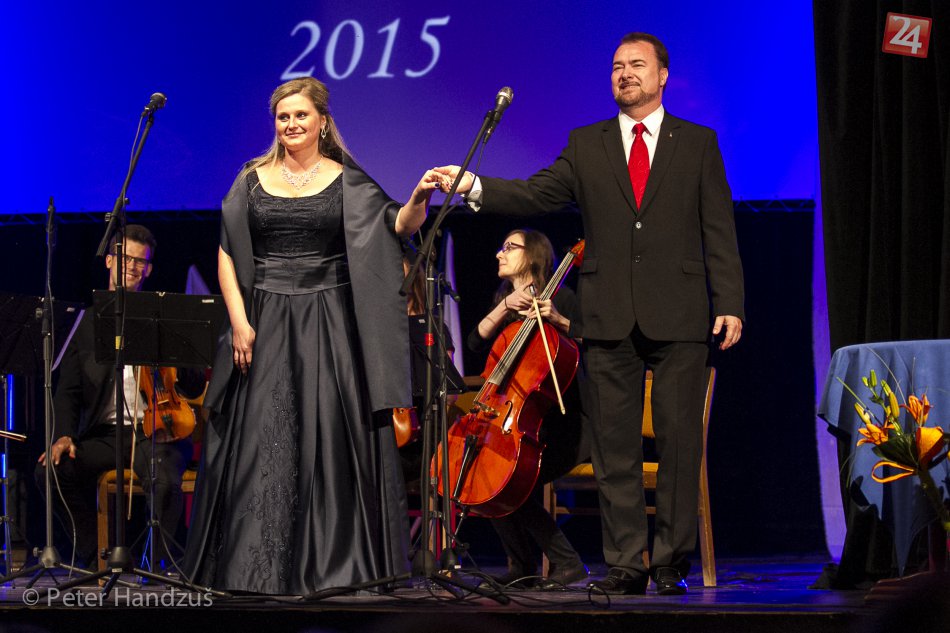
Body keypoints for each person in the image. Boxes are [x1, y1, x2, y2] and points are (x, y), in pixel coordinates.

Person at [434, 32, 744, 595]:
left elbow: (718, 227)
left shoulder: (697, 142)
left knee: (678, 444)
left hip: (679, 311)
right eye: (617, 66)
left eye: (637, 64)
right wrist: (474, 186)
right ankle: (626, 564)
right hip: (608, 315)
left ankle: (669, 562)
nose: (625, 73)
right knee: (614, 449)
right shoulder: (587, 143)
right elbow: (535, 194)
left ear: (663, 75)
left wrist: (730, 303)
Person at [183, 77, 442, 595]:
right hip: (264, 319)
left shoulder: (347, 181)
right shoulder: (251, 179)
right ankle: (252, 571)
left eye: (301, 115)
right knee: (262, 441)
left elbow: (399, 227)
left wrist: (419, 196)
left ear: (322, 121)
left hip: (329, 321)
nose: (291, 124)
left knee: (328, 437)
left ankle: (332, 567)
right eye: (283, 117)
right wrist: (239, 321)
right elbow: (228, 251)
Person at [35, 224, 197, 571]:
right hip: (106, 435)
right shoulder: (85, 325)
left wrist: (183, 354)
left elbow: (192, 380)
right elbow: (68, 390)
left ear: (149, 269)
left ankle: (159, 566)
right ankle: (94, 551)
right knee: (50, 471)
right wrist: (63, 435)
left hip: (155, 431)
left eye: (141, 262)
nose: (132, 267)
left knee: (163, 478)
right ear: (109, 261)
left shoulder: (161, 315)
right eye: (125, 259)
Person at [466, 229, 588, 590]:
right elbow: (475, 342)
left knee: (505, 478)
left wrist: (559, 321)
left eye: (509, 247)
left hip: (562, 426)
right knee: (482, 473)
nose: (499, 253)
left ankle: (568, 563)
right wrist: (505, 305)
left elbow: (591, 340)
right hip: (517, 422)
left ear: (532, 255)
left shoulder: (562, 298)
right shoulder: (504, 303)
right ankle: (521, 566)